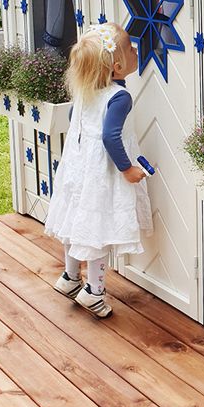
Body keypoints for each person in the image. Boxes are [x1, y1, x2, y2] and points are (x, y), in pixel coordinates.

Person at [45, 22, 152, 318]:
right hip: (101, 173)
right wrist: (127, 168)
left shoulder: (85, 91)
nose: (135, 51)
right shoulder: (119, 97)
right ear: (117, 66)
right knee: (96, 232)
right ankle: (94, 292)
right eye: (130, 48)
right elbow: (110, 136)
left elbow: (74, 116)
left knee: (75, 222)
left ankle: (70, 277)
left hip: (78, 167)